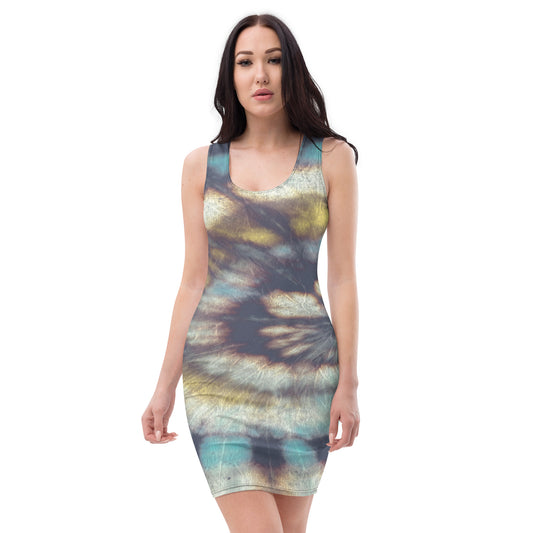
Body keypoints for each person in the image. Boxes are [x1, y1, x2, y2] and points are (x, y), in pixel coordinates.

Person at [141, 13, 360, 533]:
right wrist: (164, 385)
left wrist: (349, 384)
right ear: (231, 76)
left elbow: (343, 279)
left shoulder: (331, 159)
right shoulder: (201, 166)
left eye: (273, 60)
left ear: (292, 70)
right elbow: (193, 280)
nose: (260, 74)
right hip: (218, 378)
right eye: (245, 62)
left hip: (304, 378)